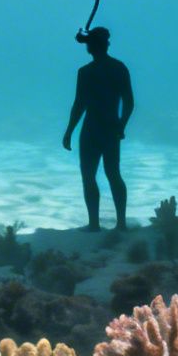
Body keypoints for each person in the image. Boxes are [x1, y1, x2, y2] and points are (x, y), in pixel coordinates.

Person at [62, 26, 132, 231]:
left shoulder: (86, 72)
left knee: (89, 175)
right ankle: (121, 224)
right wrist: (121, 124)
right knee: (113, 173)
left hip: (91, 129)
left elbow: (79, 106)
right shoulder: (118, 68)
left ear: (91, 46)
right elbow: (129, 102)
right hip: (111, 128)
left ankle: (94, 224)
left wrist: (69, 131)